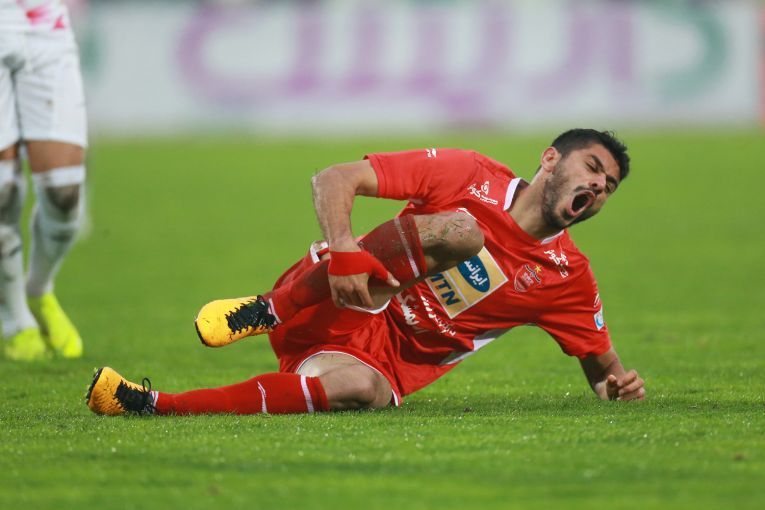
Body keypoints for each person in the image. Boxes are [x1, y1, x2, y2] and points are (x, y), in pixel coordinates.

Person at [86, 129, 645, 416]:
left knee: (361, 390)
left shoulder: (566, 277)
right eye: (592, 167)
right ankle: (267, 309)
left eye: (609, 187)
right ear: (550, 159)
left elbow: (603, 370)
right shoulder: (469, 174)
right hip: (331, 293)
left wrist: (617, 387)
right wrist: (343, 247)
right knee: (462, 233)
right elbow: (335, 177)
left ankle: (151, 405)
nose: (598, 186)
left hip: (367, 361)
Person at [0, 0, 87, 360]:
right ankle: (15, 318)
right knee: (2, 190)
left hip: (44, 24)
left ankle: (38, 287)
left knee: (63, 192)